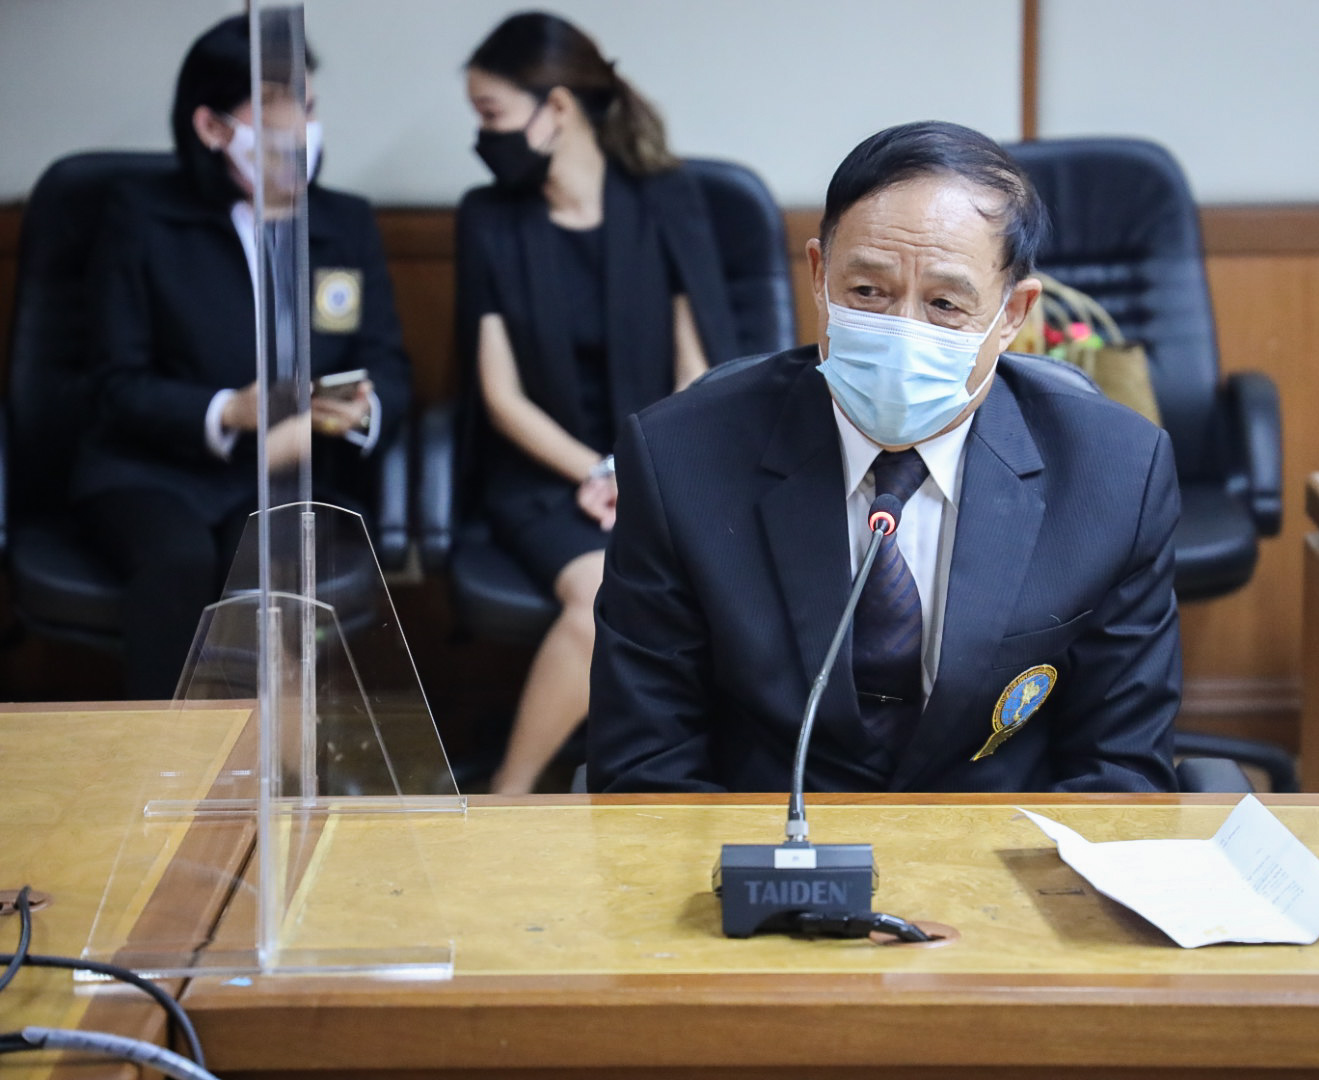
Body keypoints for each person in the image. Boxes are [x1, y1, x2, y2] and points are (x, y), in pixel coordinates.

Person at [588, 121, 1181, 794]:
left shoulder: (1115, 474)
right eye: (867, 293)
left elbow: (1120, 773)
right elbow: (645, 769)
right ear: (820, 276)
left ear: (1014, 313)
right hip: (766, 837)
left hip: (999, 842)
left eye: (945, 304)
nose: (902, 333)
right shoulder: (679, 459)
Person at [72, 14, 411, 700]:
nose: (299, 129)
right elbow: (115, 384)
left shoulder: (344, 223)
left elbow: (389, 366)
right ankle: (167, 757)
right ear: (212, 127)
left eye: (306, 107)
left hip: (293, 471)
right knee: (177, 561)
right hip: (156, 469)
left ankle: (274, 755)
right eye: (274, 109)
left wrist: (358, 412)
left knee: (266, 569)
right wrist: (231, 411)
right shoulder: (141, 217)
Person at [456, 12, 738, 794]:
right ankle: (508, 797)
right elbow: (499, 396)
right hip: (541, 477)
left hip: (661, 466)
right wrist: (596, 468)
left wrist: (634, 470)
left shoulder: (665, 199)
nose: (483, 137)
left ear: (557, 107)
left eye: (492, 114)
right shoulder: (488, 218)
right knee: (600, 596)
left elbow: (695, 369)